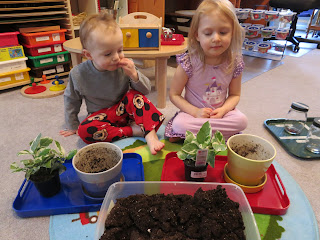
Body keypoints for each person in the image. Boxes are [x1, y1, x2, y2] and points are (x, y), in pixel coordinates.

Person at [59, 12, 165, 155]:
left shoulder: (124, 66)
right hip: (101, 118)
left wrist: (134, 75)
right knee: (84, 131)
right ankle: (134, 131)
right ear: (89, 55)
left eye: (120, 50)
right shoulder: (78, 74)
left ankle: (149, 135)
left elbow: (145, 91)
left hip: (126, 112)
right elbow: (71, 100)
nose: (116, 57)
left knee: (134, 96)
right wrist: (72, 125)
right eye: (108, 54)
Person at [165, 0, 248, 142]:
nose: (216, 38)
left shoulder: (235, 62)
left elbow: (234, 95)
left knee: (242, 121)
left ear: (232, 32)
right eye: (208, 33)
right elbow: (174, 95)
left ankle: (200, 135)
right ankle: (216, 135)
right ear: (197, 35)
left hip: (220, 114)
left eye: (223, 32)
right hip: (193, 114)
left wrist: (223, 110)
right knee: (180, 124)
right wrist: (195, 112)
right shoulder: (189, 61)